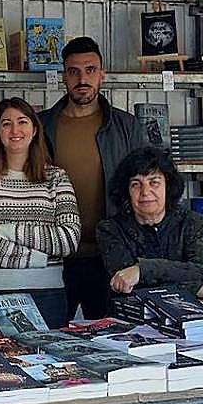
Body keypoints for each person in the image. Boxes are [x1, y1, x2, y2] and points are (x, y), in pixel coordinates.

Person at [37, 36, 149, 321]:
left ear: (102, 74)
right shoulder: (41, 125)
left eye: (90, 70)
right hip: (54, 257)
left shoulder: (126, 127)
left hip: (112, 257)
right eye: (73, 71)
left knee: (115, 337)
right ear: (63, 76)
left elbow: (147, 185)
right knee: (48, 339)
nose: (82, 79)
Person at [0, 98, 80, 328]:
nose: (15, 130)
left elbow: (68, 239)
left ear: (34, 130)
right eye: (6, 124)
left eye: (22, 122)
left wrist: (1, 230)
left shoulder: (56, 177)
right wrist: (37, 259)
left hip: (46, 295)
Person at [96, 146, 203, 295]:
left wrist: (141, 270)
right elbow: (128, 285)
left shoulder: (190, 222)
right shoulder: (110, 229)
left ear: (168, 186)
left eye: (154, 182)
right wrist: (196, 288)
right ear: (126, 191)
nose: (145, 192)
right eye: (136, 184)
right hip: (134, 309)